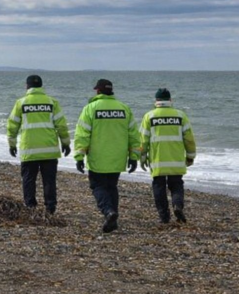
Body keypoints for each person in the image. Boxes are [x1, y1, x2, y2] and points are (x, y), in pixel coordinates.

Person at [74, 79, 141, 233]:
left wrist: (79, 156)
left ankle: (108, 212)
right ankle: (113, 218)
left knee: (98, 186)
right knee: (111, 187)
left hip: (98, 157)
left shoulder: (90, 108)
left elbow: (82, 134)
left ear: (98, 91)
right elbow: (134, 135)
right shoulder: (124, 108)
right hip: (117, 157)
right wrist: (134, 156)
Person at [7, 75, 71, 214]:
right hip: (49, 149)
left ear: (27, 86)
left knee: (29, 179)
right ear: (41, 86)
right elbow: (61, 125)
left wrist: (12, 144)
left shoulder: (21, 103)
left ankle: (30, 206)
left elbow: (12, 126)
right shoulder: (52, 102)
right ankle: (50, 207)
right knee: (49, 180)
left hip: (29, 148)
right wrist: (65, 143)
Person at [139, 88, 197, 224]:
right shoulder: (181, 116)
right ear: (170, 100)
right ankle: (177, 205)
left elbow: (143, 140)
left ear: (156, 101)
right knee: (176, 185)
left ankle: (164, 216)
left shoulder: (149, 116)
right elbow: (189, 139)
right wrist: (190, 156)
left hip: (158, 160)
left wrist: (142, 158)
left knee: (158, 186)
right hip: (176, 160)